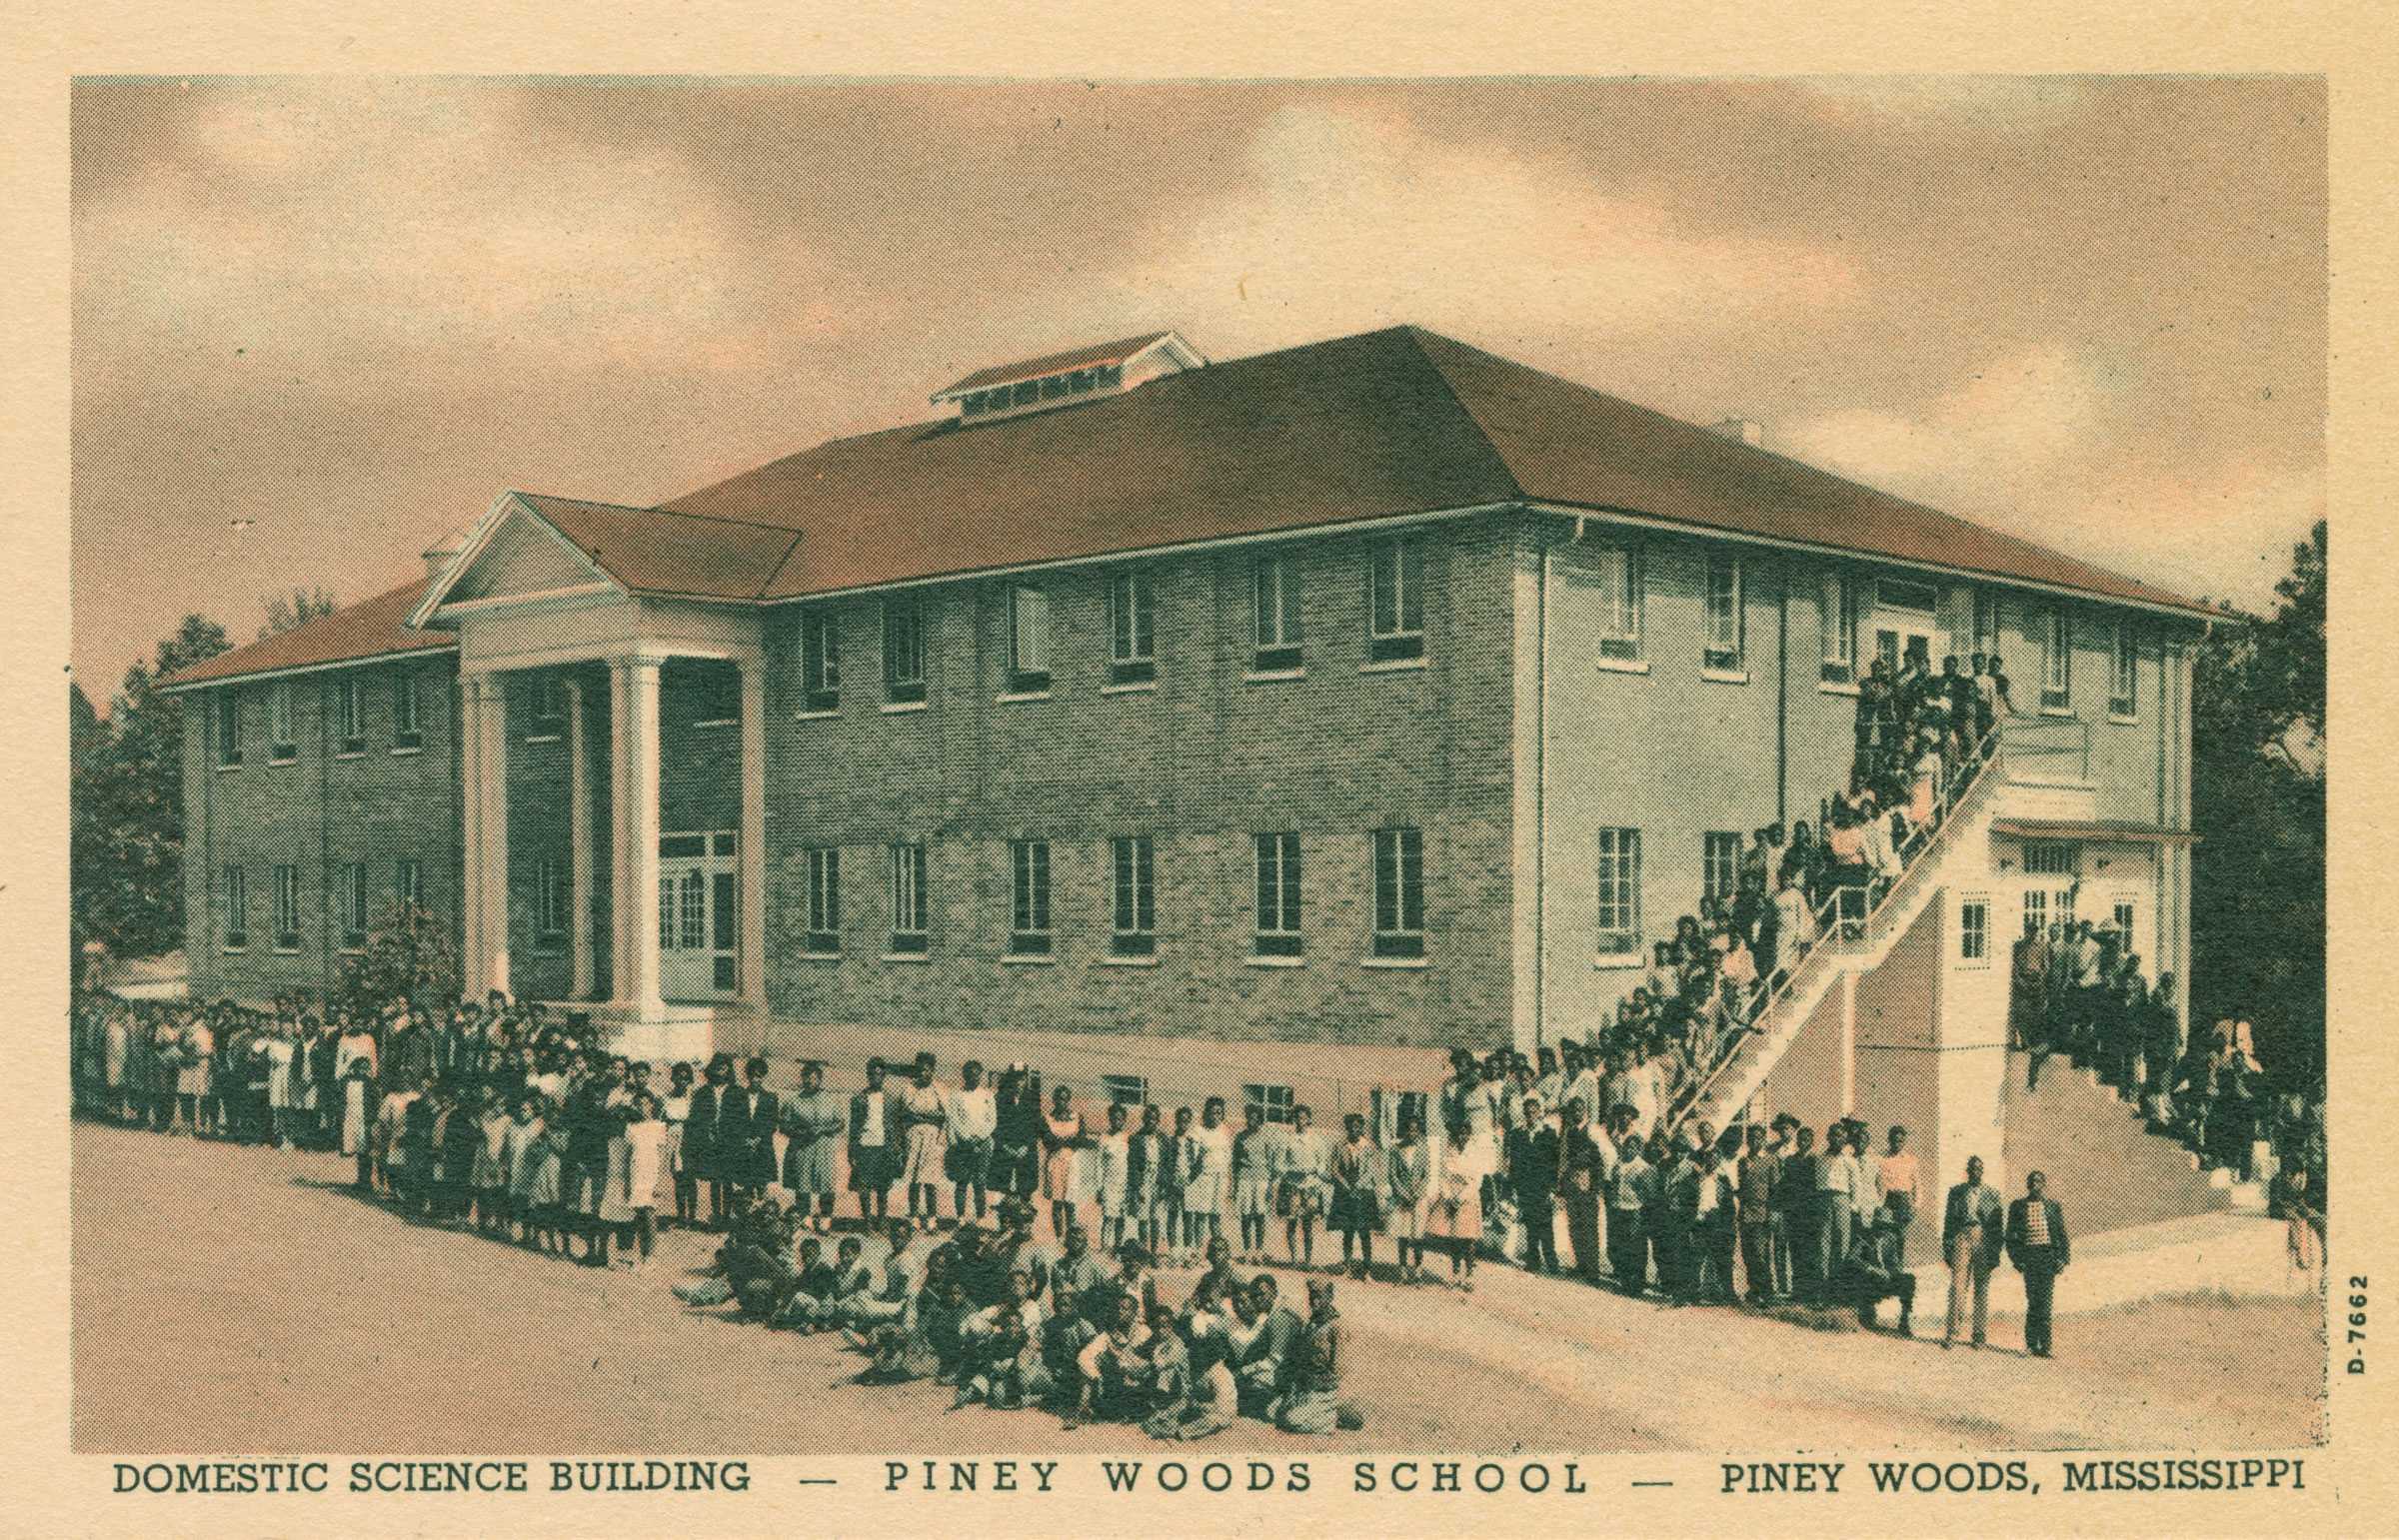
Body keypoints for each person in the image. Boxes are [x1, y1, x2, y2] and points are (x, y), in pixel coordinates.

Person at [1940, 1154, 2004, 1350]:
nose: (1975, 1172)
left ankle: (1979, 1334)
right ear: (1967, 1171)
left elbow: (1997, 1226)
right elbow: (1949, 1222)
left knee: (1982, 1287)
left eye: (1979, 1169)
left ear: (1982, 1171)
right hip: (1962, 1236)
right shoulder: (1957, 1192)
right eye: (1972, 1169)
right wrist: (1948, 1247)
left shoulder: (1992, 1194)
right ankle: (1952, 1332)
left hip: (1983, 1237)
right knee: (1958, 1286)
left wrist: (1995, 1252)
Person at [2006, 1170, 2071, 1358]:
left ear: (2044, 1184)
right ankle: (2030, 1344)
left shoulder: (2052, 1206)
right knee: (2033, 1301)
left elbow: (2061, 1234)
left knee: (2046, 1302)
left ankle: (2046, 1346)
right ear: (2028, 1185)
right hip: (2030, 1258)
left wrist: (2062, 1259)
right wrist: (2017, 1260)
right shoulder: (2018, 1207)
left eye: (2039, 1181)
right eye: (2032, 1181)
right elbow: (2010, 1236)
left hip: (2048, 1257)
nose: (2035, 1184)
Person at [781, 1060, 843, 1232]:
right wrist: (801, 1132)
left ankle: (825, 1217)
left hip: (824, 1147)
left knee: (826, 1183)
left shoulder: (831, 1100)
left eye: (814, 1078)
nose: (810, 1081)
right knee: (803, 1181)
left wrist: (823, 1128)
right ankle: (804, 1216)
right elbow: (783, 1126)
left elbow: (840, 1123)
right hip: (802, 1147)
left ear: (820, 1080)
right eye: (806, 1078)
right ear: (802, 1079)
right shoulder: (794, 1101)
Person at [1503, 1095, 1560, 1274]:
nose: (1531, 1114)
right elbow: (1514, 1161)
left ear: (1540, 1113)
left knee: (1545, 1223)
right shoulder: (1517, 1134)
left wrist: (1553, 1188)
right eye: (1527, 1112)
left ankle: (1552, 1263)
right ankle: (1533, 1261)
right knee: (1530, 1224)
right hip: (1525, 1185)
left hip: (1542, 1185)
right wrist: (1513, 1185)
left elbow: (1554, 1162)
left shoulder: (1549, 1133)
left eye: (1534, 1111)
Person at [1427, 1121, 1486, 1291]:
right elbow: (1444, 1176)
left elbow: (1477, 1181)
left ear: (1469, 1135)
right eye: (1460, 1133)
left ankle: (1469, 1276)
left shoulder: (1474, 1153)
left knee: (1468, 1239)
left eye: (1466, 1134)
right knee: (1454, 1238)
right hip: (1451, 1196)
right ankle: (1454, 1273)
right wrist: (1448, 1196)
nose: (1463, 1137)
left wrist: (1460, 1198)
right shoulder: (1449, 1151)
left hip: (1468, 1197)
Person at [1328, 1112, 1386, 1281]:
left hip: (1364, 1193)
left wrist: (1358, 1186)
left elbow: (1372, 1171)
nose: (1355, 1130)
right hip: (1345, 1193)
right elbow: (1334, 1169)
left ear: (1362, 1128)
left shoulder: (1369, 1146)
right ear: (1347, 1128)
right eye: (1352, 1127)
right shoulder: (1340, 1146)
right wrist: (1347, 1186)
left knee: (1364, 1233)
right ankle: (1347, 1267)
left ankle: (1367, 1271)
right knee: (1347, 1231)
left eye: (1358, 1127)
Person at [1841, 1206, 1916, 1334]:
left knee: (1908, 1279)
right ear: (1875, 1225)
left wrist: (1890, 1273)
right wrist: (1870, 1268)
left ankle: (1904, 1320)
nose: (1883, 1230)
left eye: (1886, 1226)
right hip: (1870, 1280)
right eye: (1880, 1226)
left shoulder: (1891, 1240)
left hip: (1885, 1279)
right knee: (1862, 1284)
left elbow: (1895, 1264)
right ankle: (1865, 1312)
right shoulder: (1864, 1239)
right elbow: (1852, 1259)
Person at [1273, 1103, 1331, 1270]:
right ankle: (1293, 1259)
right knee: (1291, 1223)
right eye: (1298, 1118)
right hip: (1292, 1186)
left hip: (1311, 1187)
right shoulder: (1287, 1140)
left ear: (1309, 1120)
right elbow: (1279, 1165)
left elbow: (1322, 1164)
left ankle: (1307, 1260)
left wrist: (1314, 1170)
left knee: (1308, 1225)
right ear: (1294, 1120)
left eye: (1304, 1118)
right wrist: (1293, 1171)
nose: (1301, 1121)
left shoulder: (1317, 1141)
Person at [898, 1055, 950, 1231]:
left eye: (927, 1069)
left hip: (933, 1138)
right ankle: (913, 1216)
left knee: (930, 1180)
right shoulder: (909, 1088)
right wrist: (928, 1116)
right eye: (920, 1069)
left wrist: (923, 1116)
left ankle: (931, 1218)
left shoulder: (939, 1089)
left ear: (932, 1070)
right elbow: (906, 1113)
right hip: (913, 1136)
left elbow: (944, 1114)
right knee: (914, 1179)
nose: (923, 1073)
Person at [946, 1059, 998, 1224]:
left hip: (983, 1144)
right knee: (962, 1181)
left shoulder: (987, 1095)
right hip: (963, 1144)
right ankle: (961, 1218)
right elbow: (953, 1119)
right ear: (964, 1075)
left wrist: (980, 1138)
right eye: (970, 1074)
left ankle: (980, 1218)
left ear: (981, 1075)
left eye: (977, 1075)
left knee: (980, 1182)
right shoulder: (956, 1095)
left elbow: (992, 1121)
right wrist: (967, 1139)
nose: (973, 1078)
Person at [848, 1056, 899, 1225]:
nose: (876, 1077)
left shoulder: (891, 1099)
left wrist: (896, 1149)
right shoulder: (859, 1098)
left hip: (884, 1147)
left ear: (884, 1076)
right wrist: (852, 1151)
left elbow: (896, 1126)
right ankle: (868, 1221)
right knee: (864, 1187)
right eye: (872, 1074)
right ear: (868, 1075)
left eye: (879, 1074)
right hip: (864, 1147)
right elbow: (853, 1128)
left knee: (883, 1187)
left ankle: (882, 1220)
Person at [1812, 1124, 1860, 1301]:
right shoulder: (1820, 1158)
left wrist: (1853, 1208)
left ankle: (1839, 1290)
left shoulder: (1850, 1160)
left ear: (1845, 1139)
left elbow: (1856, 1186)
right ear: (1829, 1138)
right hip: (1824, 1200)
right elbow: (1818, 1181)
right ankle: (1822, 1289)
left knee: (1842, 1243)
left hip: (1842, 1200)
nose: (1837, 1139)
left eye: (1841, 1136)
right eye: (1834, 1136)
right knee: (1823, 1244)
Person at [622, 1090, 669, 1268]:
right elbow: (627, 1157)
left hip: (652, 1172)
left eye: (646, 1103)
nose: (643, 1107)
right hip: (636, 1171)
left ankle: (651, 1255)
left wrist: (661, 1180)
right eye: (639, 1104)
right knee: (638, 1214)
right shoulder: (631, 1127)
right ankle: (640, 1253)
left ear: (652, 1104)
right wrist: (627, 1182)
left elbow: (663, 1156)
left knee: (649, 1213)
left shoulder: (659, 1125)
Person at [1605, 1126, 1655, 1294]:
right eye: (1628, 1146)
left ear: (1639, 1148)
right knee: (1620, 1245)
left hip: (1635, 1210)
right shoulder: (1618, 1164)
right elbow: (1612, 1185)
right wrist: (1612, 1201)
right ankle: (1625, 1281)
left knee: (1636, 1247)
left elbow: (1650, 1192)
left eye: (1635, 1146)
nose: (1631, 1149)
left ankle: (1637, 1283)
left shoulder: (1643, 1167)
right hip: (1619, 1208)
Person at [1185, 1096, 1234, 1259]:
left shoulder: (1224, 1131)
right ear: (1206, 1113)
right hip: (1203, 1178)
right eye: (1212, 1112)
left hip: (1221, 1178)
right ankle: (1198, 1251)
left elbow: (1228, 1158)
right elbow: (1191, 1158)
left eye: (1219, 1112)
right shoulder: (1198, 1131)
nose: (1216, 1116)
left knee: (1216, 1216)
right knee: (1201, 1215)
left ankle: (1217, 1252)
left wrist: (1229, 1180)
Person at [1385, 1115, 1431, 1285]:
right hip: (1402, 1199)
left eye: (1415, 1130)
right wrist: (1403, 1194)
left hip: (1418, 1199)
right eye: (1409, 1129)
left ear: (1419, 1131)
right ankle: (1403, 1273)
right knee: (1403, 1237)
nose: (1412, 1133)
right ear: (1404, 1130)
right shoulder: (1396, 1149)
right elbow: (1392, 1175)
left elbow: (1426, 1174)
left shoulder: (1424, 1149)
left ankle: (1418, 1273)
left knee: (1418, 1237)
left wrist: (1417, 1193)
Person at [1041, 1083, 1090, 1241]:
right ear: (1054, 1100)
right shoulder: (1047, 1119)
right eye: (1058, 1099)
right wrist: (1068, 1140)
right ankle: (1059, 1237)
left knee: (1070, 1202)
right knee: (1057, 1202)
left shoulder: (1077, 1117)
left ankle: (1070, 1236)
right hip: (1054, 1161)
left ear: (1068, 1100)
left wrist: (1062, 1141)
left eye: (1064, 1099)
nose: (1061, 1102)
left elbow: (1081, 1140)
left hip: (1072, 1162)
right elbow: (1048, 1142)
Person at [1230, 1104, 1276, 1264]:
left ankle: (1259, 1250)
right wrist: (1235, 1184)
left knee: (1260, 1216)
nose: (1252, 1121)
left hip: (1262, 1179)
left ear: (1260, 1120)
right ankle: (1247, 1251)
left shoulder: (1266, 1137)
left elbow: (1271, 1163)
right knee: (1246, 1216)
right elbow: (1235, 1162)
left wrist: (1270, 1186)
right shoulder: (1240, 1137)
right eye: (1250, 1117)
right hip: (1244, 1179)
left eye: (1256, 1118)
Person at [1874, 1124, 1924, 1257]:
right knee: (1885, 1233)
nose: (1897, 1143)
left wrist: (1916, 1205)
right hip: (1886, 1199)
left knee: (1900, 1233)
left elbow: (1917, 1185)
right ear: (1889, 1140)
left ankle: (1899, 1266)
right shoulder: (1880, 1158)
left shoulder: (1911, 1160)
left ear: (1904, 1142)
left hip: (1903, 1200)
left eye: (1900, 1141)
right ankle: (1887, 1265)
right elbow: (1875, 1181)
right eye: (1894, 1140)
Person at [660, 1061, 698, 1229]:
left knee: (690, 1178)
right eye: (678, 1077)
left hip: (689, 1138)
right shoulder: (667, 1098)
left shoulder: (692, 1098)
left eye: (685, 1078)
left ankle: (692, 1217)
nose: (682, 1081)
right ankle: (681, 1216)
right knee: (678, 1178)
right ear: (673, 1078)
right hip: (672, 1139)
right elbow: (661, 1119)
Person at [1093, 1101, 1134, 1254]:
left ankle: (1117, 1248)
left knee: (1121, 1217)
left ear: (1124, 1120)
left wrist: (1131, 1185)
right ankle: (1104, 1247)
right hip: (1109, 1183)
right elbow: (1099, 1165)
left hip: (1124, 1183)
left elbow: (1132, 1163)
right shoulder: (1103, 1138)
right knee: (1108, 1217)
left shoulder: (1128, 1138)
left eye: (1120, 1119)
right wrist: (1099, 1187)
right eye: (1114, 1118)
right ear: (1109, 1119)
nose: (1117, 1121)